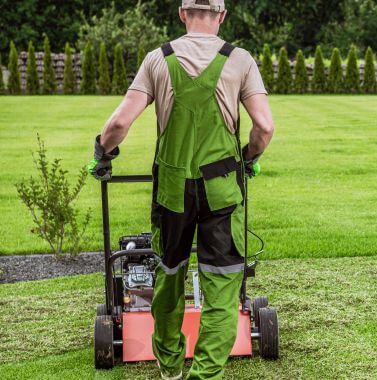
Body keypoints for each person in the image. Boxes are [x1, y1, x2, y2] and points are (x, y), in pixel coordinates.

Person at [87, 0, 275, 378]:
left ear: (182, 13)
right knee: (222, 287)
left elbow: (120, 122)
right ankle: (205, 375)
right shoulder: (240, 60)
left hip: (172, 192)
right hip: (221, 190)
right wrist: (250, 156)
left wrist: (102, 152)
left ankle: (170, 365)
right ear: (222, 15)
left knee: (169, 276)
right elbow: (264, 127)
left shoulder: (158, 59)